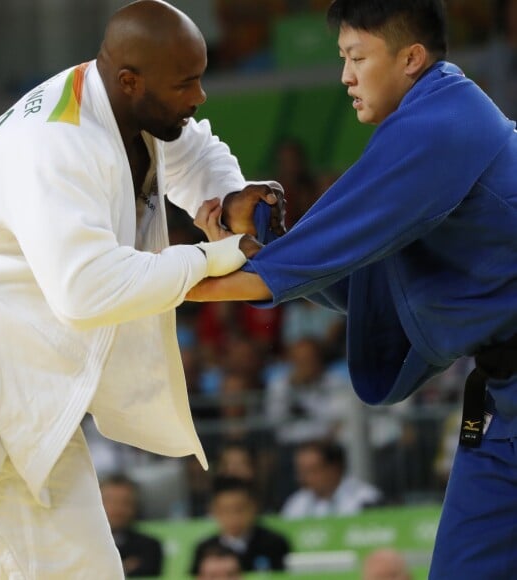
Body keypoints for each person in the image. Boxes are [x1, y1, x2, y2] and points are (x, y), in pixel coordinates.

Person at [0, 1, 285, 577]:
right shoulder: (54, 145)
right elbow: (86, 291)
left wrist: (228, 195)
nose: (199, 96)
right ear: (131, 80)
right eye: (186, 83)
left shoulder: (126, 106)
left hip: (12, 369)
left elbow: (192, 148)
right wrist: (209, 256)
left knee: (88, 569)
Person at [188, 0, 517, 577]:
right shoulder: (430, 124)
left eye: (357, 57)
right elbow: (357, 276)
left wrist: (161, 282)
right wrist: (261, 248)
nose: (345, 76)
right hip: (499, 397)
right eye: (343, 58)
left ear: (411, 58)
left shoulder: (441, 125)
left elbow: (318, 259)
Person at [190, 476, 290, 574]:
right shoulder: (204, 549)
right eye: (225, 510)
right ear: (214, 511)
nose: (233, 517)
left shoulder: (275, 544)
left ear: (254, 507)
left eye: (239, 509)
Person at [281, 440, 382, 518]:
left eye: (311, 471)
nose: (303, 478)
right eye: (301, 471)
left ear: (334, 469)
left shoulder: (365, 498)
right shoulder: (296, 502)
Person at [100, 474, 163, 577]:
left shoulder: (150, 546)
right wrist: (124, 568)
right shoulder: (78, 544)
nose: (118, 509)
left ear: (135, 507)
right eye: (111, 501)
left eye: (125, 502)